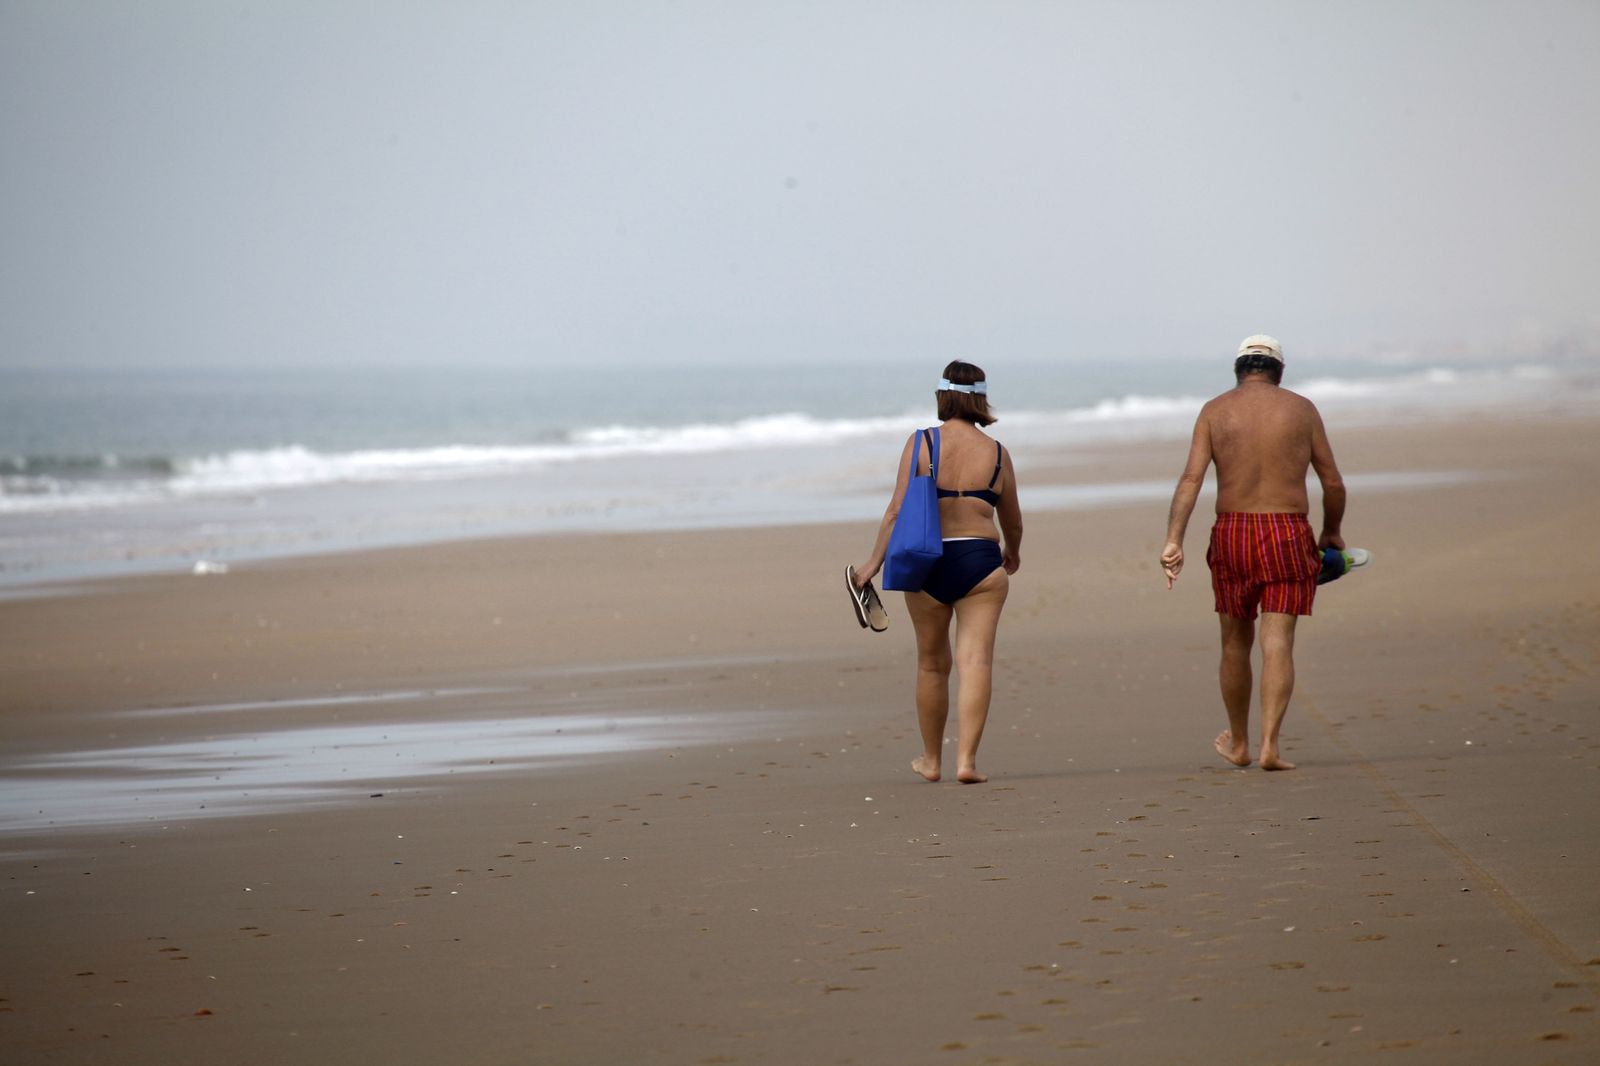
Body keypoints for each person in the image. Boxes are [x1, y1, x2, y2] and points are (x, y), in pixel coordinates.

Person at [1160, 335, 1347, 771]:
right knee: (1277, 642)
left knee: (1234, 642)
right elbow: (1333, 483)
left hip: (1233, 532)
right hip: (1287, 531)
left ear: (1239, 370)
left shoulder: (1214, 410)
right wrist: (1332, 531)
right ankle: (1270, 747)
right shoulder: (1302, 410)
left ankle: (1240, 743)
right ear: (1279, 371)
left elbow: (1190, 480)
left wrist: (1174, 539)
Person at [852, 361, 1023, 784]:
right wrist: (1013, 552)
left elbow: (896, 511)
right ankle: (967, 762)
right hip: (980, 561)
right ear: (981, 399)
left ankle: (932, 761)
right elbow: (1013, 519)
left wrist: (872, 564)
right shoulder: (998, 453)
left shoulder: (922, 443)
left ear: (942, 396)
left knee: (931, 665)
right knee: (975, 662)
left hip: (926, 561)